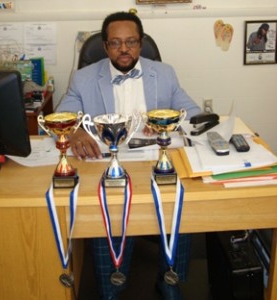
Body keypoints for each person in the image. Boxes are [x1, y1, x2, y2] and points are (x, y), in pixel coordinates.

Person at [57, 11, 201, 300]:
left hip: (155, 159)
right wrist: (74, 133)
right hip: (105, 164)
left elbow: (193, 113)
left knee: (180, 203)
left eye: (132, 42)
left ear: (141, 42)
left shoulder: (164, 72)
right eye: (116, 43)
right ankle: (111, 287)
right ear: (105, 46)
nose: (124, 49)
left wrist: (167, 120)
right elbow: (64, 116)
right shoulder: (84, 77)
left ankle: (170, 281)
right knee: (105, 211)